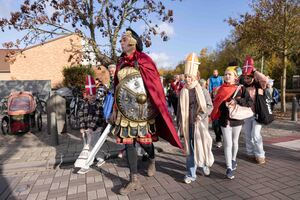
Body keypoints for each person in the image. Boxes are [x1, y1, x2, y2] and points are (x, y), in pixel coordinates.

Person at [110, 28, 182, 195]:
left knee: (145, 142)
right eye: (120, 40)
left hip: (142, 110)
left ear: (133, 42)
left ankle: (151, 158)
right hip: (124, 111)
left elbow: (154, 86)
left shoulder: (144, 60)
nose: (121, 42)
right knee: (128, 144)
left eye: (124, 39)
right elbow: (117, 88)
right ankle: (133, 179)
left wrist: (155, 107)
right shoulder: (120, 62)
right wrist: (115, 109)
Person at [177, 52, 214, 184]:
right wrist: (179, 125)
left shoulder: (202, 90)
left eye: (190, 77)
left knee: (202, 146)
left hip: (200, 125)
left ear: (195, 77)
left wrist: (201, 115)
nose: (188, 79)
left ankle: (205, 164)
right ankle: (191, 174)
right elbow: (179, 110)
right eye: (186, 77)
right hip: (188, 125)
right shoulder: (182, 91)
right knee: (190, 150)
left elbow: (210, 106)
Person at [211, 66, 253, 179]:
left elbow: (250, 102)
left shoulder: (241, 88)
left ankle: (233, 159)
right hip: (224, 120)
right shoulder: (220, 89)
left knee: (235, 142)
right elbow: (215, 104)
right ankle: (229, 167)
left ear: (235, 77)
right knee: (228, 143)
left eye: (230, 74)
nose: (227, 76)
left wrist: (237, 100)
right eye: (225, 74)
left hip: (237, 119)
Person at [75, 75, 106, 174]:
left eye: (93, 95)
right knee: (95, 144)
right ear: (86, 95)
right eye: (89, 95)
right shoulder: (83, 104)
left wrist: (91, 128)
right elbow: (80, 116)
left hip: (96, 128)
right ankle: (101, 158)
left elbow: (97, 116)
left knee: (90, 145)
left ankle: (86, 164)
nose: (91, 97)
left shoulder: (98, 104)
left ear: (96, 95)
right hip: (88, 129)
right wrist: (82, 127)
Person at [241, 56, 269, 164]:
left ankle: (260, 154)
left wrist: (254, 70)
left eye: (249, 77)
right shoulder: (243, 87)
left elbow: (265, 79)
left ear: (253, 76)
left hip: (258, 113)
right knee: (247, 134)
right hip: (247, 113)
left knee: (256, 134)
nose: (247, 80)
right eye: (246, 78)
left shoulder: (259, 85)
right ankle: (250, 153)